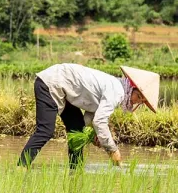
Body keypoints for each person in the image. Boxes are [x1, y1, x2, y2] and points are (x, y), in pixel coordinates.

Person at [18, 64, 159, 168]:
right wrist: (112, 150)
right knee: (45, 130)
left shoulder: (115, 87)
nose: (137, 101)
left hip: (64, 90)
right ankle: (21, 167)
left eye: (141, 101)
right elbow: (100, 121)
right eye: (138, 96)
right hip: (50, 83)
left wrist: (93, 137)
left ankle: (75, 173)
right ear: (131, 87)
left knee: (77, 130)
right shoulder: (117, 91)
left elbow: (91, 119)